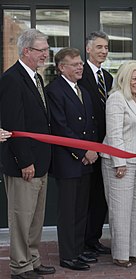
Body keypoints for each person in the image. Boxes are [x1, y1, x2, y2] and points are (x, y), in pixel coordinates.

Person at [0, 28, 55, 279]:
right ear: (26, 51)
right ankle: (19, 267)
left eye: (46, 49)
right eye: (41, 50)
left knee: (35, 219)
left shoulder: (36, 77)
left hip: (40, 162)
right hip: (24, 164)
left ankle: (32, 260)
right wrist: (26, 161)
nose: (46, 54)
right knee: (21, 218)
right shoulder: (12, 79)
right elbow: (14, 124)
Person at [46, 47, 99, 271]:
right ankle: (68, 256)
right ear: (61, 67)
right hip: (69, 160)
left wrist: (92, 150)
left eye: (80, 63)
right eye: (75, 64)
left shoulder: (83, 91)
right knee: (68, 211)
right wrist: (82, 152)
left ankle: (78, 251)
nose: (80, 67)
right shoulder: (54, 91)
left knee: (80, 209)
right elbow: (60, 127)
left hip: (86, 159)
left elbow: (91, 123)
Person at [100, 60, 136, 268]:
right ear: (124, 78)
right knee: (120, 209)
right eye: (134, 78)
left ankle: (135, 251)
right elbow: (114, 134)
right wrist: (119, 161)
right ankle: (121, 255)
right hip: (119, 162)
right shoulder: (116, 98)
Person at [78, 30, 113, 255]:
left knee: (101, 196)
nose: (103, 51)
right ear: (88, 48)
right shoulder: (79, 76)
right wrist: (87, 147)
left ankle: (94, 239)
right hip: (86, 149)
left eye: (106, 48)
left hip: (106, 147)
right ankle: (80, 242)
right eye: (99, 47)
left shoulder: (108, 78)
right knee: (84, 199)